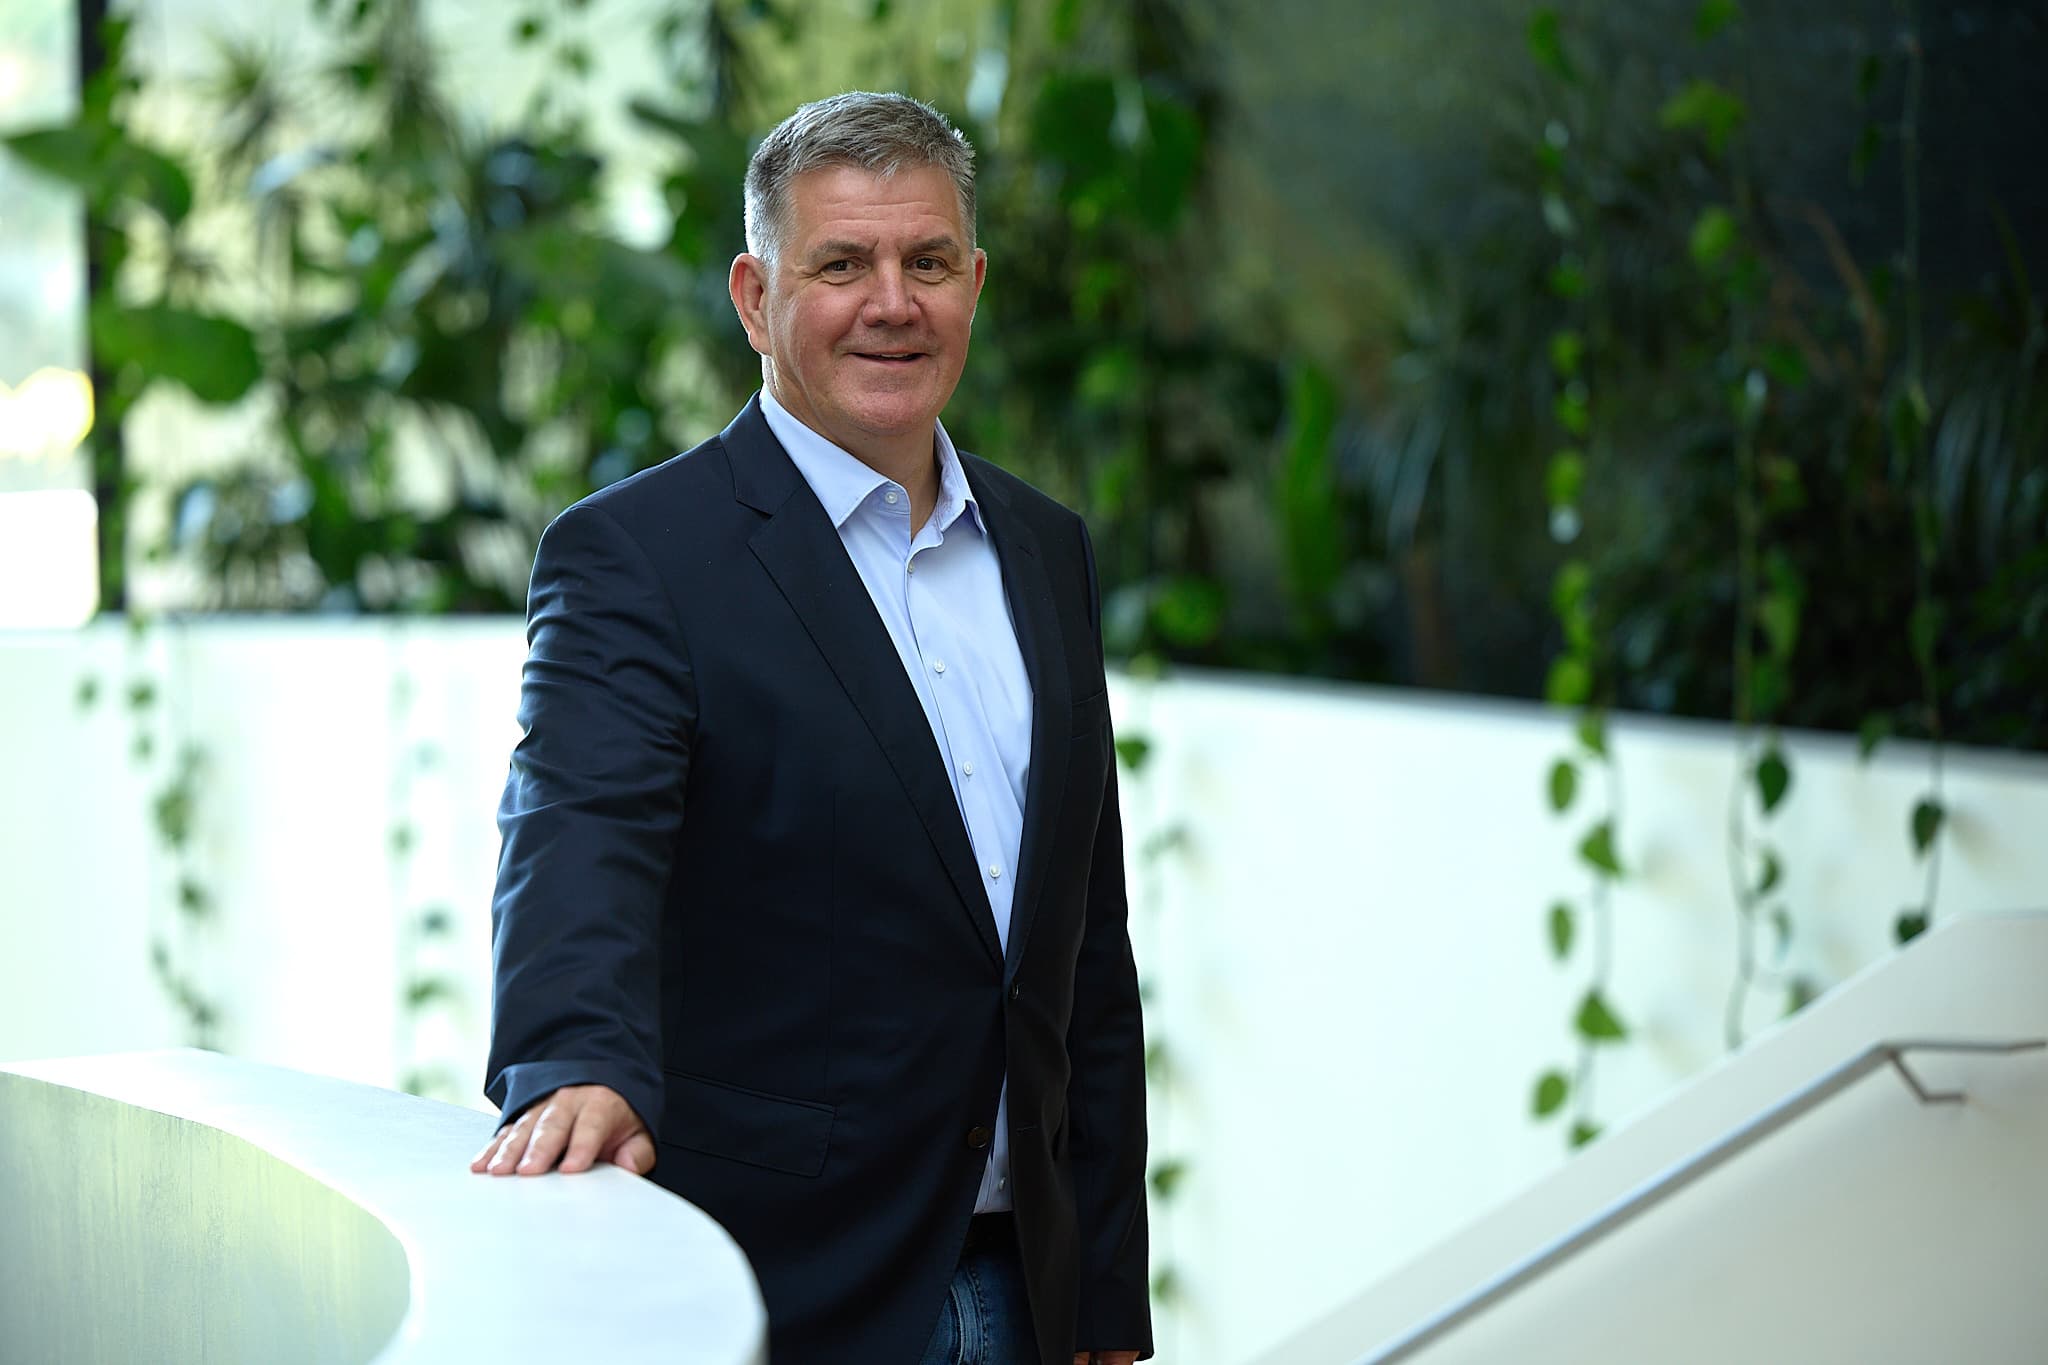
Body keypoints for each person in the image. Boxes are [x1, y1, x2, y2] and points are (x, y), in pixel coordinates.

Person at [473, 91, 1152, 1365]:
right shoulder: (638, 556)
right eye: (840, 265)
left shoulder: (1044, 547)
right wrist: (573, 1063)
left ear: (973, 285)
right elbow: (580, 836)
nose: (892, 304)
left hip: (1030, 1290)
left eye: (927, 263)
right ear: (753, 297)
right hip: (791, 1289)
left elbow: (1084, 949)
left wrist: (1106, 1300)